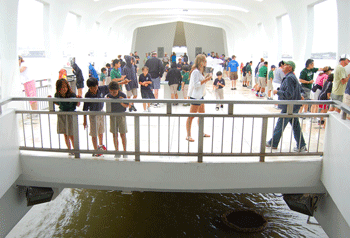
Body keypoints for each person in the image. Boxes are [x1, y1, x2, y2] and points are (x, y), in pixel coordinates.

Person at [266, 61, 307, 152]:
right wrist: (300, 95)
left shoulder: (289, 78)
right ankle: (301, 145)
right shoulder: (291, 77)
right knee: (295, 125)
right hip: (293, 106)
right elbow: (300, 89)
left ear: (290, 68)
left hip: (289, 106)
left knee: (281, 123)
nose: (283, 66)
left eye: (285, 65)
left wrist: (278, 92)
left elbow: (288, 94)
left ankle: (273, 143)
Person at [186, 54, 212, 142]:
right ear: (200, 62)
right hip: (195, 97)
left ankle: (201, 132)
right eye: (204, 61)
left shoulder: (199, 72)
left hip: (200, 96)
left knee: (202, 115)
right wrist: (207, 79)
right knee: (191, 117)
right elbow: (196, 85)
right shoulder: (196, 72)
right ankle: (188, 135)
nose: (206, 62)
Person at [83, 77, 109, 157]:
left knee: (101, 130)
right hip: (93, 114)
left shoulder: (102, 89)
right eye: (91, 88)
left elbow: (111, 86)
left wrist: (122, 83)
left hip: (101, 112)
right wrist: (85, 121)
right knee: (94, 132)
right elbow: (85, 109)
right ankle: (95, 149)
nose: (93, 89)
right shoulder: (87, 95)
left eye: (95, 87)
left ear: (97, 85)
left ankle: (100, 145)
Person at [54, 79, 80, 156]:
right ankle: (69, 149)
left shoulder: (72, 95)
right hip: (62, 115)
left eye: (66, 87)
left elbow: (77, 104)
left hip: (70, 116)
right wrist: (51, 99)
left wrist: (78, 99)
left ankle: (75, 150)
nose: (64, 89)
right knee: (65, 134)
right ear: (58, 88)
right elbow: (58, 103)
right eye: (62, 87)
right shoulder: (57, 95)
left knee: (71, 134)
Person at [106, 81, 129, 158]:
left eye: (115, 92)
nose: (113, 94)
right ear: (109, 90)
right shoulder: (108, 96)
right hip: (112, 116)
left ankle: (125, 151)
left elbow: (127, 105)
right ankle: (117, 150)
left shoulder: (122, 95)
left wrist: (121, 102)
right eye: (111, 92)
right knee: (114, 134)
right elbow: (107, 107)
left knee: (123, 134)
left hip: (121, 115)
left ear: (118, 89)